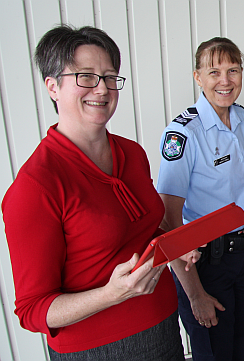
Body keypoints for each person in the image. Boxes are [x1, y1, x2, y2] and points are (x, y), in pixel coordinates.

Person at [1, 25, 184, 360]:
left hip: (162, 325)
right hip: (97, 348)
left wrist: (177, 244)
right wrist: (110, 295)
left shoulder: (132, 153)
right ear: (52, 87)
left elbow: (141, 233)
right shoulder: (35, 186)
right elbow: (33, 311)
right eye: (86, 76)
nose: (102, 89)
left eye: (110, 77)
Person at [157, 37, 244, 361]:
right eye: (214, 71)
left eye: (233, 70)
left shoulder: (241, 117)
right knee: (215, 355)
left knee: (239, 346)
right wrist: (194, 293)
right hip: (207, 264)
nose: (225, 80)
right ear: (197, 77)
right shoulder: (183, 134)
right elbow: (167, 223)